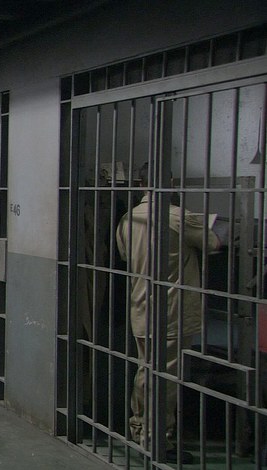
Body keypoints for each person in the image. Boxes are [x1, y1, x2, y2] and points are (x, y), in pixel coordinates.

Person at [115, 163, 221, 464]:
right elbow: (214, 243)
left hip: (140, 307)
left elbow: (124, 255)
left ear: (140, 184)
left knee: (146, 369)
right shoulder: (178, 216)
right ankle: (158, 439)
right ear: (171, 183)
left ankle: (139, 429)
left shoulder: (128, 218)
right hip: (171, 311)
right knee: (166, 377)